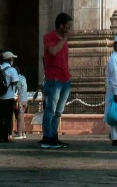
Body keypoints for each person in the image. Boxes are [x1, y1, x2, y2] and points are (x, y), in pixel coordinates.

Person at [41, 13, 73, 150]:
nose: (70, 28)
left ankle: (53, 136)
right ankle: (47, 138)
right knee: (51, 110)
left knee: (58, 111)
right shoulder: (49, 37)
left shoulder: (63, 41)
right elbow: (52, 52)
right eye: (68, 26)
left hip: (65, 79)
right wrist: (64, 39)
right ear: (61, 26)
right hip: (54, 79)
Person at [0, 51, 21, 143]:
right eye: (12, 59)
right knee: (8, 118)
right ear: (10, 60)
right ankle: (5, 136)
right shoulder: (12, 70)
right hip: (8, 97)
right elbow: (16, 81)